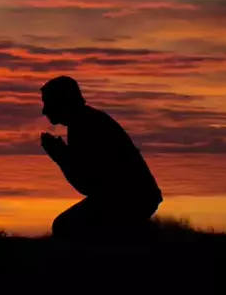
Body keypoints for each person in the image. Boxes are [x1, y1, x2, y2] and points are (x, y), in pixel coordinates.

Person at [40, 76, 163, 241]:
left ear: (62, 102)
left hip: (130, 199)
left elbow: (89, 184)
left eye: (48, 103)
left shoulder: (85, 126)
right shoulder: (84, 122)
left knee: (65, 227)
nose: (44, 111)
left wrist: (61, 156)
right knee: (68, 226)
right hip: (133, 197)